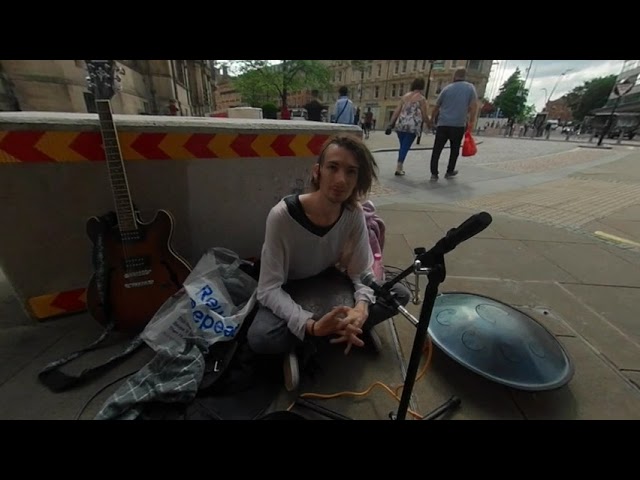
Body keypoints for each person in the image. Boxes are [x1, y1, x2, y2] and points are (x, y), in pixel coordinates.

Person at [247, 134, 411, 391]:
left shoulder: (353, 213)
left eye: (351, 172)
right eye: (332, 167)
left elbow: (361, 271)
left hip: (329, 283)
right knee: (260, 338)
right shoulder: (283, 215)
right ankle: (330, 333)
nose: (341, 180)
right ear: (317, 172)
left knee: (399, 294)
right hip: (291, 289)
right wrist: (310, 326)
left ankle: (343, 327)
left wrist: (361, 309)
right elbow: (267, 289)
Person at [429, 68, 478, 181]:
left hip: (443, 124)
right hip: (458, 124)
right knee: (454, 149)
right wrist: (471, 121)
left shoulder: (446, 89)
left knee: (437, 149)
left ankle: (434, 173)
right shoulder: (470, 88)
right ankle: (450, 171)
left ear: (454, 76)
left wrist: (431, 120)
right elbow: (474, 106)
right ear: (464, 76)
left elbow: (436, 106)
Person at [387, 78, 430, 176]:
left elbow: (397, 111)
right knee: (405, 147)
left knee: (402, 146)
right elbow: (424, 114)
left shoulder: (405, 97)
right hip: (412, 126)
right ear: (422, 86)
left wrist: (391, 123)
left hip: (401, 125)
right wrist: (429, 123)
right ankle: (399, 167)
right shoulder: (421, 99)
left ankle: (400, 166)